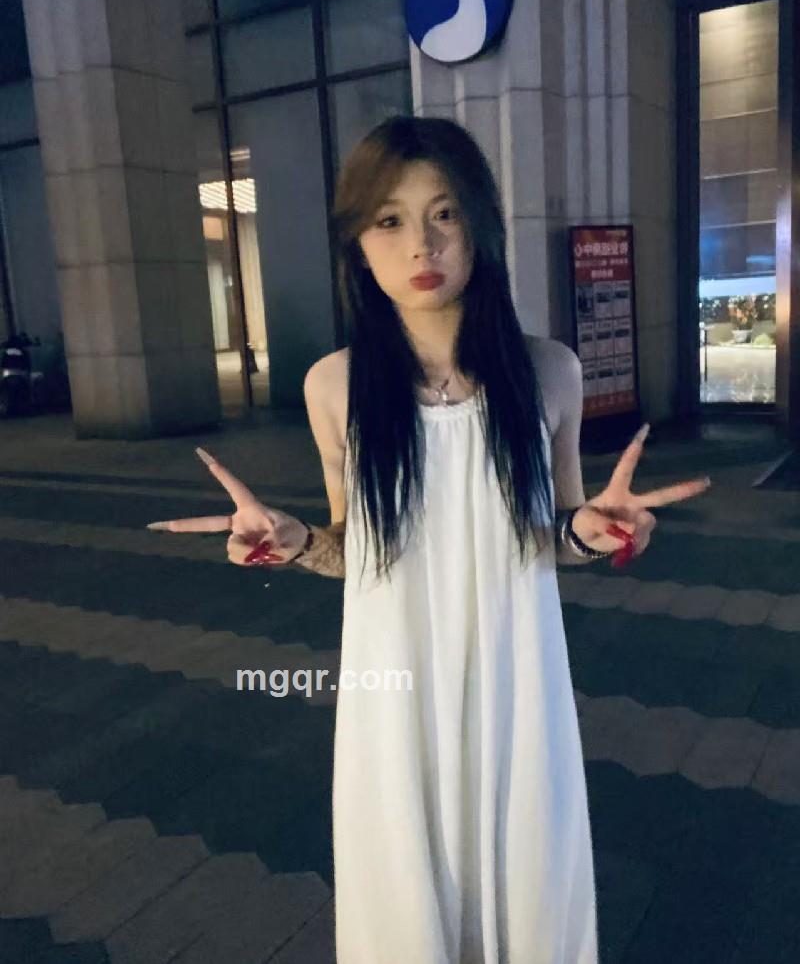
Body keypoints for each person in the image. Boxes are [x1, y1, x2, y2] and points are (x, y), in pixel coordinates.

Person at [147, 116, 711, 963]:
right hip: (394, 686)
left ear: (480, 224)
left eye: (444, 213)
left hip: (516, 677)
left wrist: (596, 532)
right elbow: (357, 547)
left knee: (527, 874)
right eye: (390, 219)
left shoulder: (548, 370)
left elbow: (551, 535)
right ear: (359, 245)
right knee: (407, 893)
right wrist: (294, 540)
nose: (423, 242)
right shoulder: (335, 385)